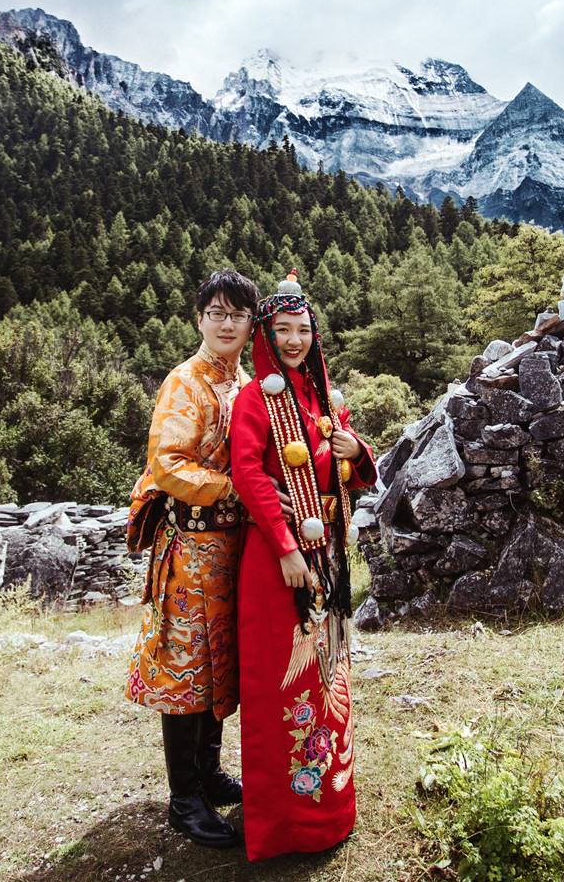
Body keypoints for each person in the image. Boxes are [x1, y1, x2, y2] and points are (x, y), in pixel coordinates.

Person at [229, 270, 376, 862]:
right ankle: (288, 823)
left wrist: (356, 450)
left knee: (327, 674)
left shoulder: (320, 395)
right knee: (283, 683)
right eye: (283, 331)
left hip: (327, 558)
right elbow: (248, 473)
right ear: (267, 336)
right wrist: (287, 547)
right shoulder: (255, 399)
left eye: (303, 330)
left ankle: (329, 809)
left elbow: (344, 463)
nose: (294, 341)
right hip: (279, 563)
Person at [125, 268, 261, 848]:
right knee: (186, 665)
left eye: (238, 315)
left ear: (251, 324)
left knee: (220, 660)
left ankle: (208, 773)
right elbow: (169, 466)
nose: (227, 324)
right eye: (217, 313)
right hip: (191, 548)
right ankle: (184, 799)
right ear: (199, 319)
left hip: (233, 547)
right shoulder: (185, 383)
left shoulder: (244, 382)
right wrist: (239, 488)